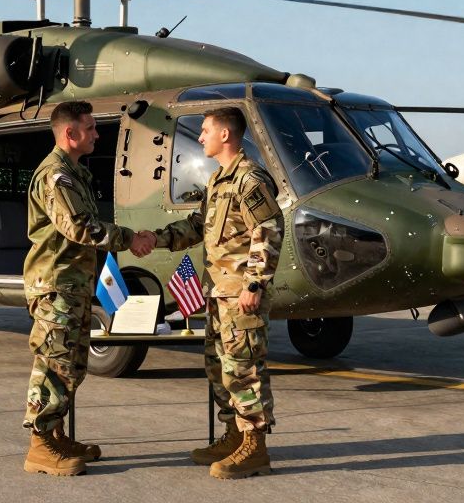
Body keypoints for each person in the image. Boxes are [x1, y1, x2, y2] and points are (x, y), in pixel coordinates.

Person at [143, 106, 284, 479]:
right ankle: (234, 436)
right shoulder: (218, 180)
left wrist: (255, 283)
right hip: (219, 295)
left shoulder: (250, 179)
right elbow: (196, 226)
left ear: (225, 134)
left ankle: (255, 448)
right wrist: (152, 239)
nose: (200, 136)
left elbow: (268, 230)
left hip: (241, 295)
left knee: (244, 369)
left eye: (205, 130)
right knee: (219, 369)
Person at [22, 100, 155, 476]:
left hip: (74, 284)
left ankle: (56, 434)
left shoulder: (76, 173)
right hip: (56, 283)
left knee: (72, 365)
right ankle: (40, 445)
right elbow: (80, 227)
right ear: (71, 133)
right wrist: (130, 239)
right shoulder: (56, 176)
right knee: (53, 363)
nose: (97, 134)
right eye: (92, 128)